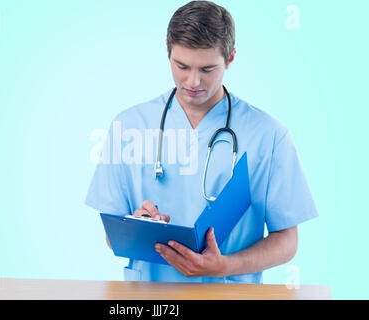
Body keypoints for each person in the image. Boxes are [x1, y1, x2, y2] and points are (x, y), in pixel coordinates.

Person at [85, 1, 318, 283]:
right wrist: (137, 226)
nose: (193, 81)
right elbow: (112, 238)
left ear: (230, 58)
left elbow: (287, 241)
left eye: (207, 69)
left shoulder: (268, 135)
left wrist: (225, 266)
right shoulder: (128, 126)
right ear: (167, 50)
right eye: (181, 66)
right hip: (151, 301)